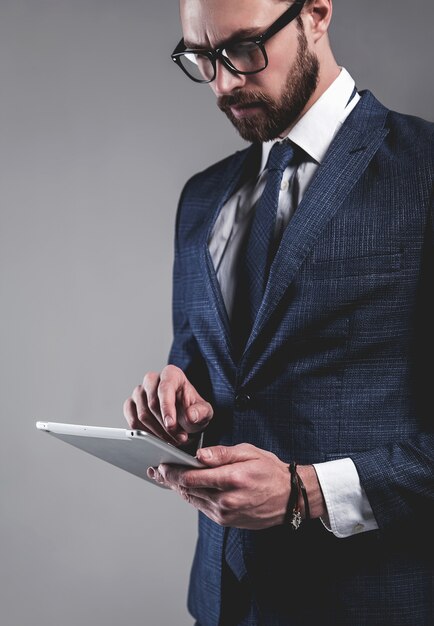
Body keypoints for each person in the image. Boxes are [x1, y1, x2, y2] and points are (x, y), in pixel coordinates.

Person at [123, 0, 434, 624]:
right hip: (224, 600)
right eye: (202, 57)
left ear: (316, 14)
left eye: (244, 48)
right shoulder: (202, 198)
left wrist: (304, 492)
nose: (225, 82)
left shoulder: (422, 172)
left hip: (374, 600)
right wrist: (176, 408)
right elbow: (205, 367)